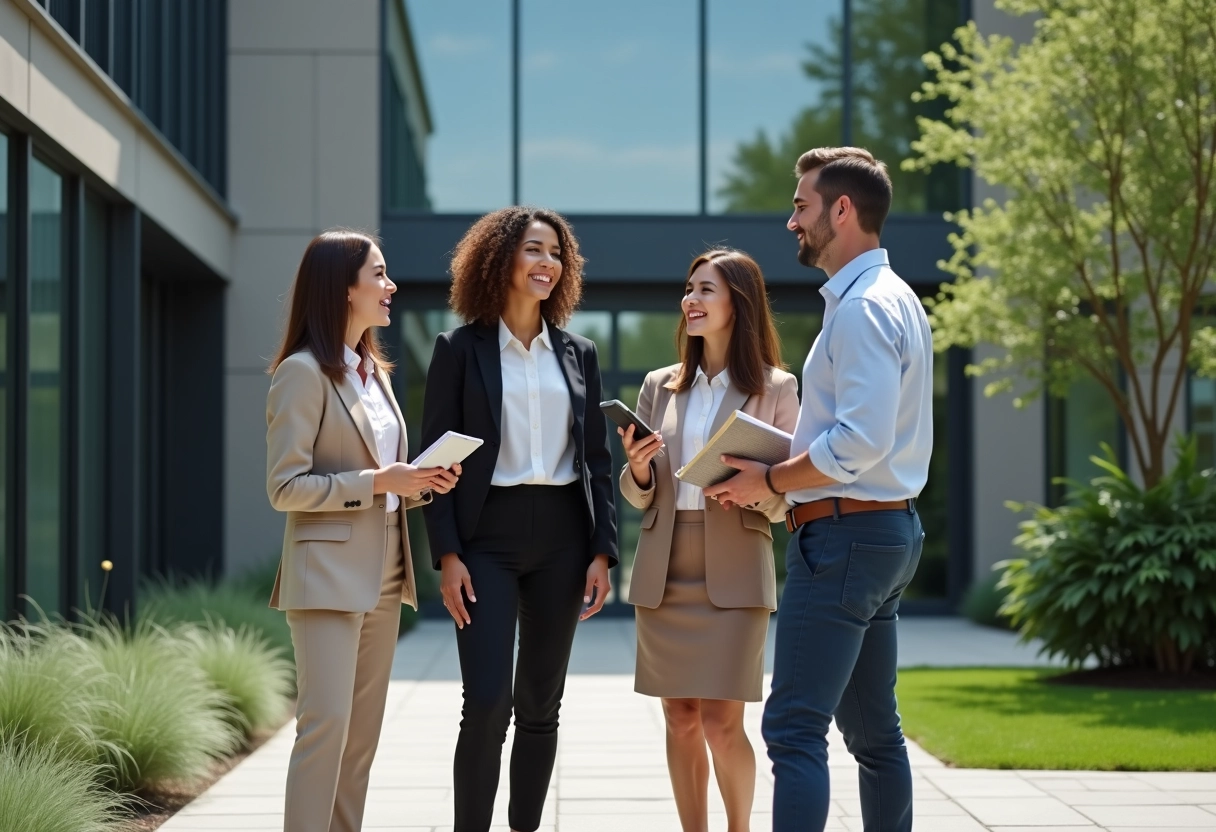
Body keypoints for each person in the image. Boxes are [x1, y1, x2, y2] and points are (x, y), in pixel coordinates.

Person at [704, 147, 932, 832]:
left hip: (844, 538)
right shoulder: (896, 301)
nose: (790, 221)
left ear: (842, 209)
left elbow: (860, 443)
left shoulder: (862, 310)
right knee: (873, 734)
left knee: (793, 729)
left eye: (801, 206)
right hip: (884, 533)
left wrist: (770, 478)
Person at [420, 206, 618, 832]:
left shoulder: (577, 352)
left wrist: (603, 551)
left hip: (563, 536)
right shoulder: (458, 349)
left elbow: (595, 459)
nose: (548, 263)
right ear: (500, 259)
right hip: (485, 537)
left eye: (557, 253)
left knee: (540, 704)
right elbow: (433, 463)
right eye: (535, 250)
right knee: (485, 701)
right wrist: (447, 555)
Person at [266, 229, 461, 832]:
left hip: (384, 574)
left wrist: (420, 480)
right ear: (341, 288)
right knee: (325, 731)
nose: (390, 285)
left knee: (360, 742)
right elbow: (285, 488)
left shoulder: (373, 373)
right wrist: (381, 481)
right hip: (326, 577)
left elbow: (385, 474)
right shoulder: (302, 373)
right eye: (378, 274)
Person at [618, 248, 799, 832]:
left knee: (724, 724)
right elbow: (640, 492)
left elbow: (788, 494)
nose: (690, 301)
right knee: (680, 719)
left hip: (736, 566)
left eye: (705, 290)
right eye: (688, 289)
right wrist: (640, 469)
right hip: (666, 566)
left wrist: (753, 490)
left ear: (737, 304)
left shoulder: (776, 387)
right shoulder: (659, 387)